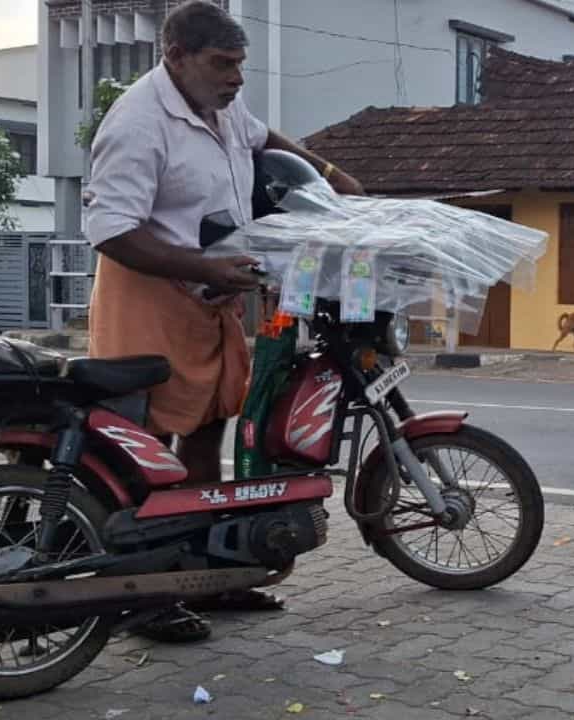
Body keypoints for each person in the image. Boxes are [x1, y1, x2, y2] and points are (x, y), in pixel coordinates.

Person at [83, 0, 364, 642]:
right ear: (175, 57)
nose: (236, 77)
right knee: (145, 448)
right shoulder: (137, 122)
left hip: (211, 294)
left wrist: (332, 175)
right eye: (223, 64)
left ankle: (204, 576)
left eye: (240, 64)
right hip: (149, 296)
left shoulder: (221, 106)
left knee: (209, 426)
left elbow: (266, 139)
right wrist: (206, 270)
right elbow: (112, 231)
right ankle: (144, 598)